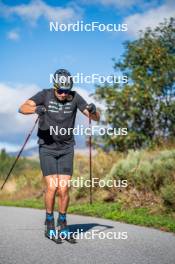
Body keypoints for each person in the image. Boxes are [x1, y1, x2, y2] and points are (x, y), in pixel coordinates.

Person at [19, 69, 100, 243]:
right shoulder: (45, 95)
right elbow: (22, 107)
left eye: (66, 91)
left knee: (64, 189)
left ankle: (62, 222)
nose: (63, 94)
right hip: (47, 148)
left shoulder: (75, 97)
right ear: (55, 87)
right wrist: (36, 109)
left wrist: (94, 110)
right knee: (52, 187)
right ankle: (49, 222)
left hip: (66, 148)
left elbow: (95, 117)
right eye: (60, 91)